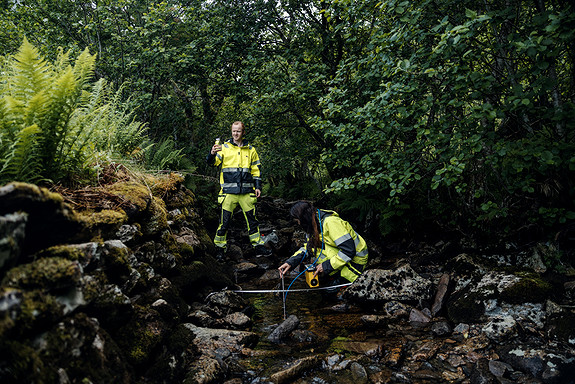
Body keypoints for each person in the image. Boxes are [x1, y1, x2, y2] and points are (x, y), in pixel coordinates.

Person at [206, 121, 272, 261]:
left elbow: (256, 170)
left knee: (252, 221)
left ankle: (258, 246)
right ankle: (219, 248)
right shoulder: (223, 148)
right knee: (224, 222)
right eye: (233, 131)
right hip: (228, 192)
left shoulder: (251, 150)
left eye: (238, 131)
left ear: (243, 132)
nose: (235, 134)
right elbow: (213, 163)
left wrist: (258, 186)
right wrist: (211, 154)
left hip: (247, 192)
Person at [278, 201, 368, 287]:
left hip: (355, 262)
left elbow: (349, 251)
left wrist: (326, 266)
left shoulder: (331, 223)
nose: (298, 223)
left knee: (329, 293)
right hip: (341, 259)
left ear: (304, 218)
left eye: (298, 220)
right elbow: (308, 247)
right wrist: (290, 262)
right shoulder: (312, 224)